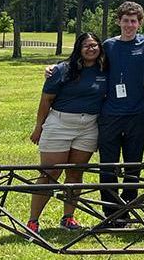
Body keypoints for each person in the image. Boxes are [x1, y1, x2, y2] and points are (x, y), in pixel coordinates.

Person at [28, 32, 108, 233]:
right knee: (50, 173)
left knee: (75, 173)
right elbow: (46, 100)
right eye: (86, 45)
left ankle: (68, 218)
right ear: (78, 48)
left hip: (89, 127)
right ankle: (33, 221)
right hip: (60, 124)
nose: (91, 49)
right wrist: (39, 126)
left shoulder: (105, 69)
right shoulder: (62, 70)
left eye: (94, 45)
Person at [98, 2, 144, 222]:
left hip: (137, 113)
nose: (129, 25)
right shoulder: (108, 45)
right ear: (118, 21)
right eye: (125, 20)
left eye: (133, 21)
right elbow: (84, 61)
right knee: (108, 164)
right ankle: (110, 211)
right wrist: (55, 68)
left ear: (140, 23)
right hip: (110, 113)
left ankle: (127, 209)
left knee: (133, 165)